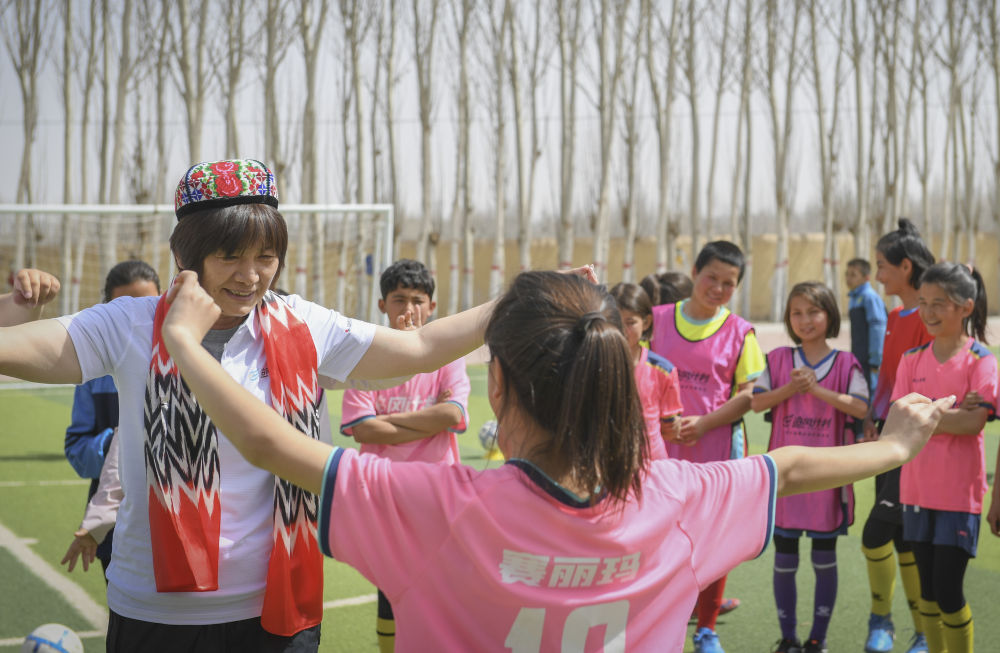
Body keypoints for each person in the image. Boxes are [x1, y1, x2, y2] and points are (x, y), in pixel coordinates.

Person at [155, 267, 949, 652]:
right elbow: (790, 468)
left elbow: (269, 442)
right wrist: (895, 444)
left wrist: (185, 339)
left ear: (497, 383)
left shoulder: (437, 506)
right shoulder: (675, 498)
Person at [0, 158, 529, 653]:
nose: (250, 275)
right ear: (184, 256)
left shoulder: (304, 324)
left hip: (280, 608)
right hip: (156, 611)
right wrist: (14, 309)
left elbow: (421, 347)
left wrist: (526, 297)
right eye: (229, 255)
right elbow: (13, 350)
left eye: (265, 257)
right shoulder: (129, 323)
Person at [340, 258, 471, 653]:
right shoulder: (368, 358)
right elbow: (362, 428)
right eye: (399, 300)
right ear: (383, 305)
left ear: (432, 306)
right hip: (384, 492)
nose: (408, 310)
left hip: (438, 491)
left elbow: (453, 415)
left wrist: (386, 421)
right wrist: (429, 421)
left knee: (440, 585)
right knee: (391, 586)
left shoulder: (448, 356)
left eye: (417, 300)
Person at [649, 240, 765, 653]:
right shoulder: (656, 320)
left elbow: (748, 395)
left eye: (728, 283)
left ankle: (706, 629)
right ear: (694, 272)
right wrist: (663, 423)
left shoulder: (741, 332)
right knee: (657, 536)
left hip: (716, 448)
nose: (717, 288)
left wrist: (704, 423)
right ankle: (658, 620)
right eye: (711, 277)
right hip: (659, 448)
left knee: (713, 541)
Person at [751, 282, 869, 653]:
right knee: (784, 557)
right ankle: (788, 638)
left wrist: (817, 390)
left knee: (824, 557)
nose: (805, 320)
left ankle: (818, 638)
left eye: (813, 312)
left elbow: (861, 407)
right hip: (786, 479)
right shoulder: (777, 359)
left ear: (829, 315)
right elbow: (757, 403)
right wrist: (791, 389)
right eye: (796, 313)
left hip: (826, 478)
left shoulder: (846, 363)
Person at [891, 263, 997, 653]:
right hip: (915, 492)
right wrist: (949, 413)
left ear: (965, 306)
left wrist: (926, 413)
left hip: (958, 497)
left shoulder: (981, 360)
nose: (928, 312)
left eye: (939, 303)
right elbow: (899, 420)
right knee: (928, 594)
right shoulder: (911, 359)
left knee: (949, 593)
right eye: (923, 303)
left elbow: (973, 423)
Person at [860, 219, 935, 653]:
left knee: (875, 535)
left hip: (912, 446)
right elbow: (888, 378)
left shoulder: (928, 317)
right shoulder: (893, 317)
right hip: (887, 439)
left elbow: (927, 385)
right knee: (903, 539)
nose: (877, 274)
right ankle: (920, 633)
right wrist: (873, 417)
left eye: (882, 265)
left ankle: (882, 620)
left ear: (906, 267)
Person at [62, 260, 161, 576]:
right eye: (124, 308)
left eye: (148, 305)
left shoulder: (186, 360)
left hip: (175, 517)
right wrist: (120, 443)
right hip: (113, 521)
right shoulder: (94, 374)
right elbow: (78, 450)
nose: (137, 318)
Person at [609, 282, 682, 460]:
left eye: (630, 322)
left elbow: (670, 428)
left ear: (646, 322)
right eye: (615, 321)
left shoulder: (663, 370)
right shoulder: (594, 365)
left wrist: (675, 424)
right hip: (606, 461)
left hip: (651, 462)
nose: (622, 330)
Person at [846, 258, 887, 392]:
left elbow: (878, 328)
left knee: (872, 393)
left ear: (866, 277)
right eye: (847, 274)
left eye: (853, 275)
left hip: (870, 360)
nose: (848, 278)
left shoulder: (869, 297)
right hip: (859, 356)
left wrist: (875, 360)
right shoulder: (854, 298)